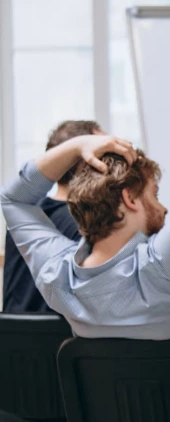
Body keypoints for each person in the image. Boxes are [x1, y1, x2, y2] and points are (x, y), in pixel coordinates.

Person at [0, 0, 170, 346]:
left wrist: (78, 146)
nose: (164, 210)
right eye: (154, 194)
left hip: (101, 405)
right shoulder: (165, 269)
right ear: (129, 198)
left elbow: (14, 197)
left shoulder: (58, 279)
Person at [3, 120, 102, 313]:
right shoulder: (89, 224)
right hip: (58, 341)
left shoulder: (23, 218)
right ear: (86, 160)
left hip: (11, 339)